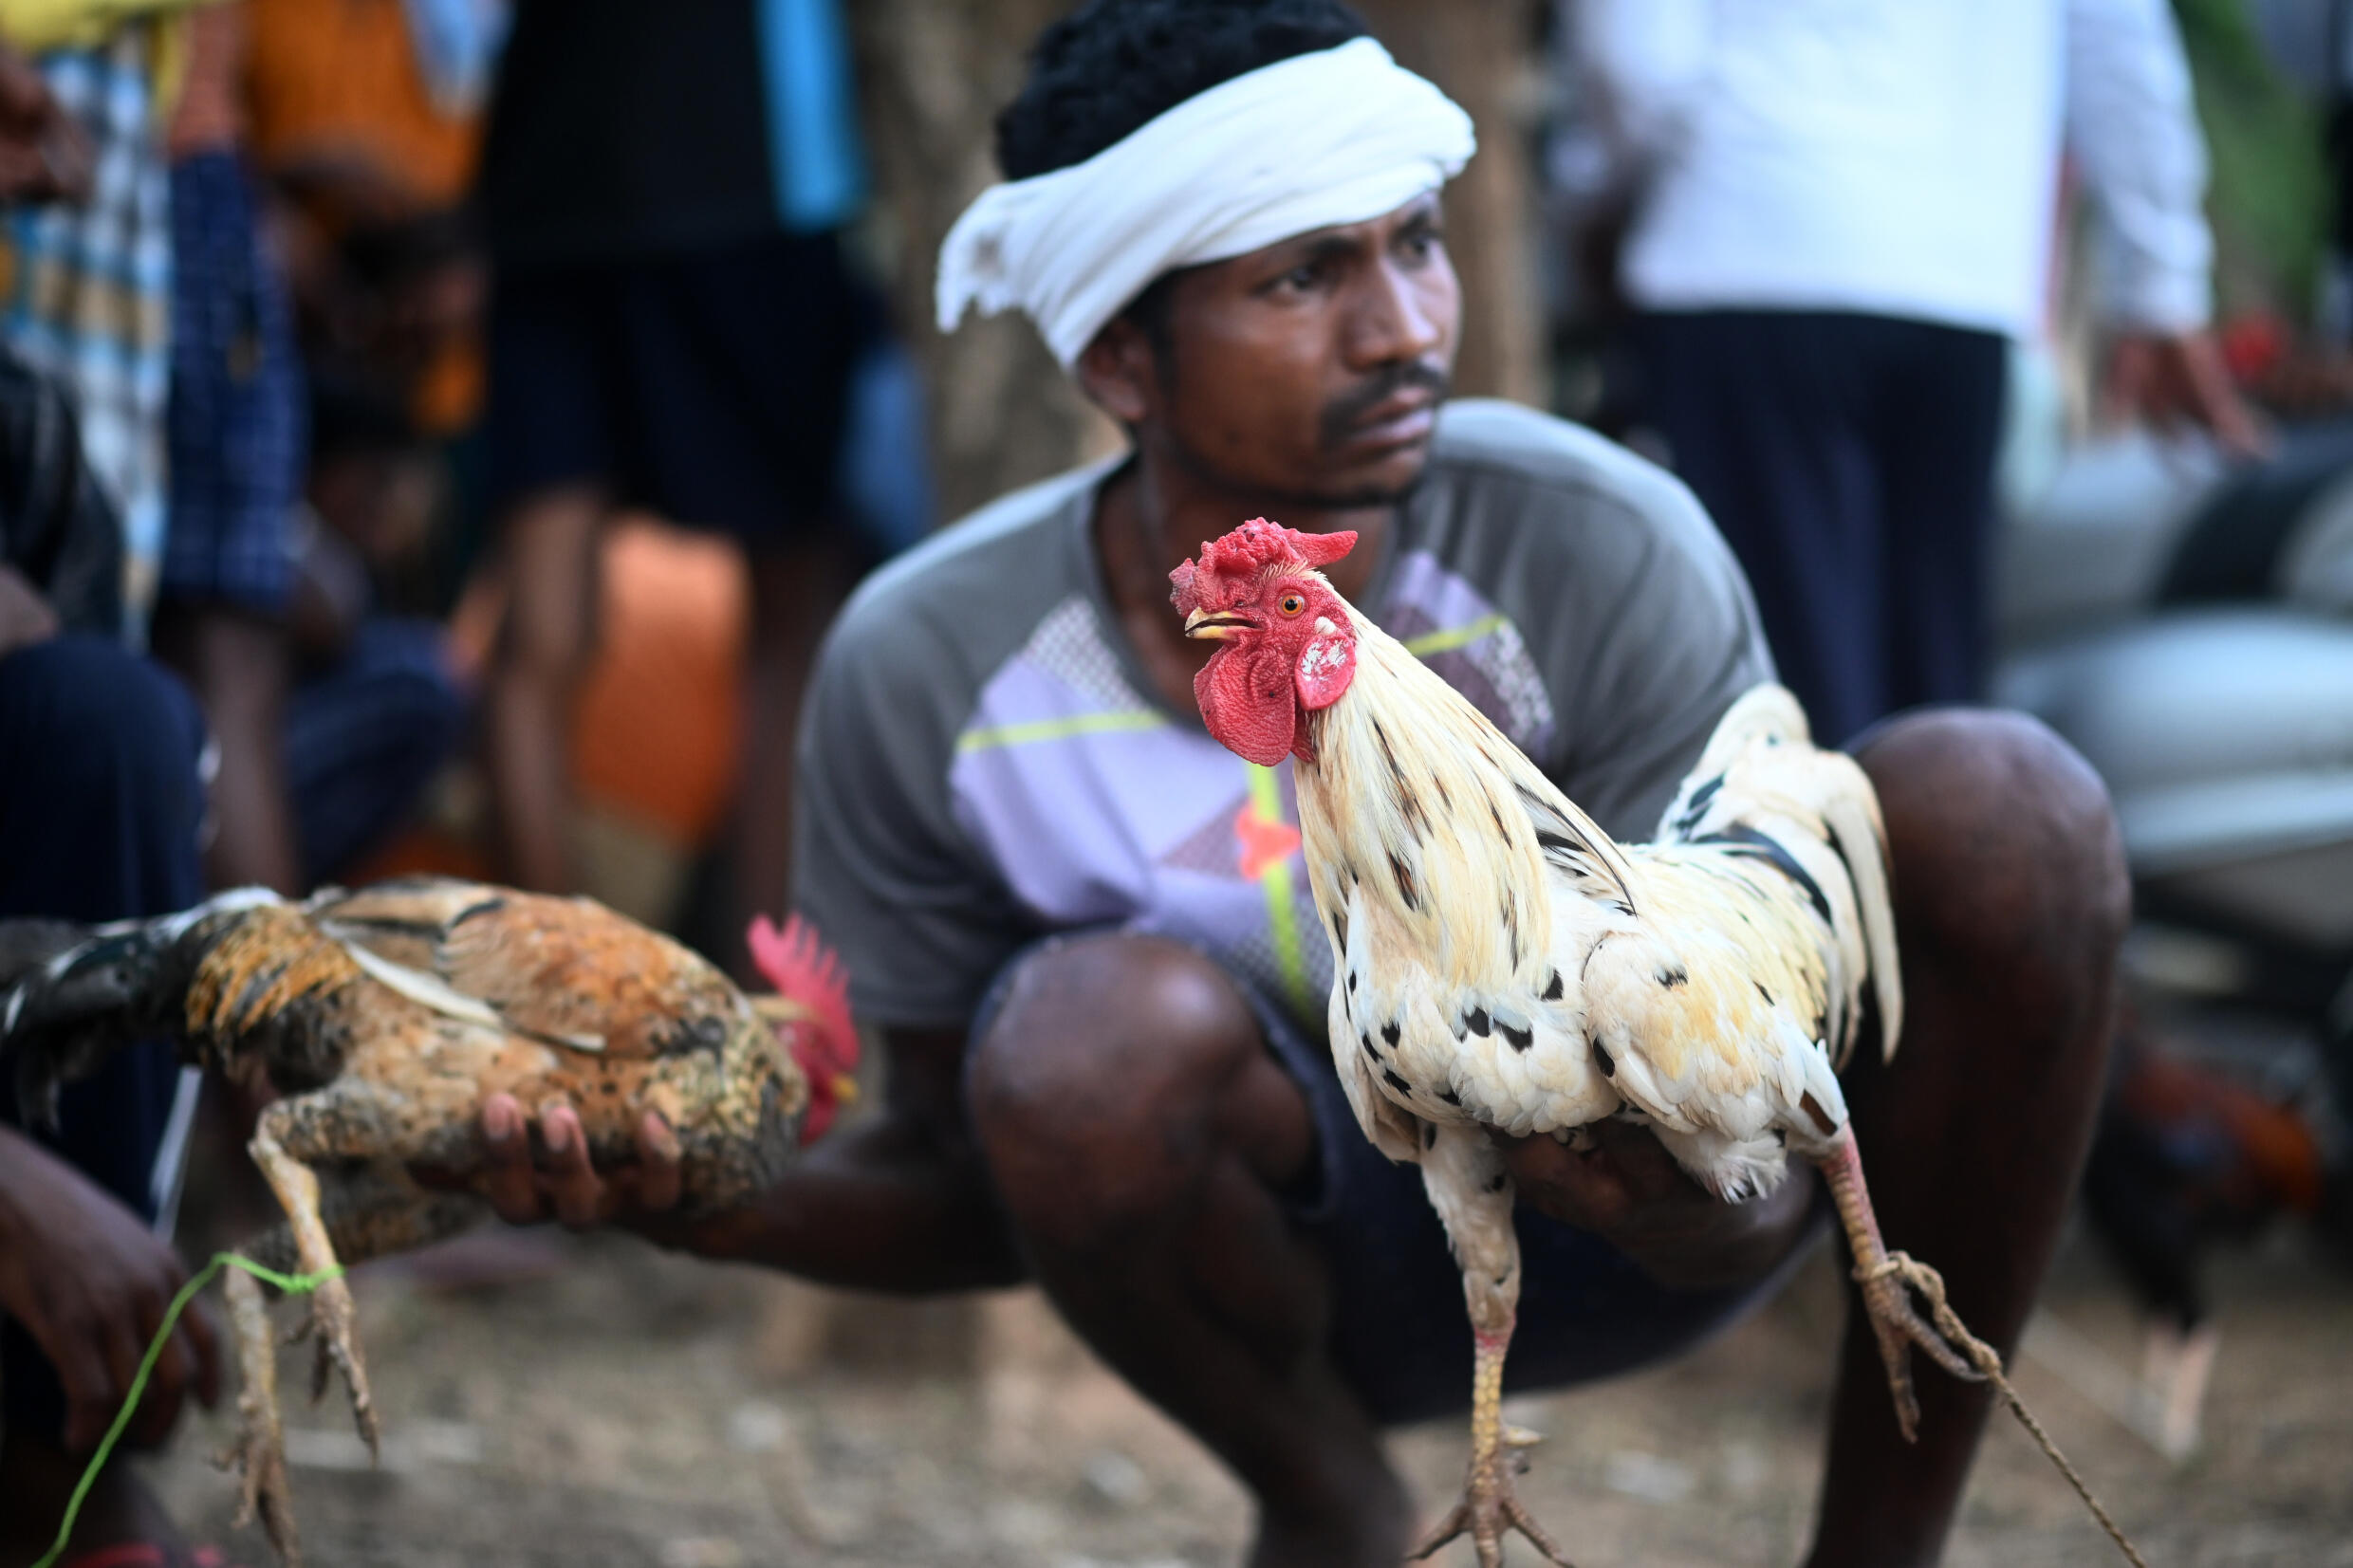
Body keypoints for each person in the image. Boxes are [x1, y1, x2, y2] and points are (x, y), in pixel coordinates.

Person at [472, 5, 2127, 1565]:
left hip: (1674, 1214)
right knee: (1077, 1037)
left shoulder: (1598, 537)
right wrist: (691, 1193)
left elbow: (1749, 1160)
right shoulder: (931, 659)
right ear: (1122, 357)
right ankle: (1326, 1499)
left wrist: (1663, 1188)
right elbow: (965, 1178)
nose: (1406, 324)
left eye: (1414, 243)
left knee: (2008, 805)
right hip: (1275, 1279)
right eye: (1306, 276)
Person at [1574, 0, 2265, 747]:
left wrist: (1594, 201)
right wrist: (2162, 283)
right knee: (1936, 688)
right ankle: (1934, 862)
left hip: (1750, 241)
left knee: (1787, 699)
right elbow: (2118, 36)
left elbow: (1635, 61)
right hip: (1961, 274)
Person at [473, 0, 881, 955]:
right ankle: (783, 1006)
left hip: (554, 174)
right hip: (753, 176)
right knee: (790, 613)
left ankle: (557, 1006)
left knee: (540, 632)